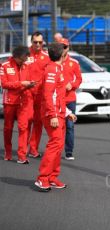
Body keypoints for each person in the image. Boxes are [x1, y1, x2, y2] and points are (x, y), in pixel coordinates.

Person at [35, 43, 77, 192]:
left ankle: (52, 177)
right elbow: (48, 94)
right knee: (55, 144)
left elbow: (57, 96)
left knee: (58, 146)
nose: (67, 50)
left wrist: (66, 112)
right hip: (52, 114)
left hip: (59, 113)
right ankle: (43, 178)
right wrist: (53, 114)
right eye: (64, 48)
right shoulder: (52, 69)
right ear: (62, 53)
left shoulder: (58, 68)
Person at [0, 46, 35, 163]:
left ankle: (22, 156)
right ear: (16, 57)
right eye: (22, 59)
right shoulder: (4, 66)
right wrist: (21, 84)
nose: (24, 61)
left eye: (26, 59)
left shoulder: (27, 66)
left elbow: (29, 81)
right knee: (8, 128)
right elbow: (4, 84)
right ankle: (8, 152)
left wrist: (30, 85)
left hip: (23, 101)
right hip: (9, 101)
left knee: (23, 127)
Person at [26, 31, 50, 158]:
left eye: (40, 42)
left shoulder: (46, 56)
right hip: (26, 93)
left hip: (40, 94)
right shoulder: (24, 54)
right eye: (35, 42)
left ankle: (33, 149)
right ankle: (23, 148)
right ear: (31, 42)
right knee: (27, 120)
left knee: (38, 122)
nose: (38, 44)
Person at [58, 38, 82, 160]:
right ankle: (56, 150)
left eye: (65, 47)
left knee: (70, 125)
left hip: (70, 99)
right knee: (57, 126)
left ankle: (68, 151)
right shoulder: (52, 61)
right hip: (56, 99)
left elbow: (79, 79)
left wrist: (71, 85)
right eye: (61, 46)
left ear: (68, 48)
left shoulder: (74, 62)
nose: (63, 49)